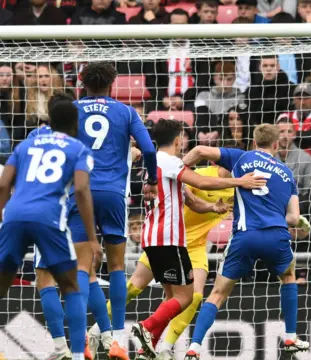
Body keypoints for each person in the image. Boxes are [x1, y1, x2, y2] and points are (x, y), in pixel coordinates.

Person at [130, 120, 267, 358]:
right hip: (169, 238)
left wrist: (214, 207)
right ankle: (147, 327)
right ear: (177, 140)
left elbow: (192, 200)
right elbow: (202, 182)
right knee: (187, 296)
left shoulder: (152, 163)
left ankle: (148, 347)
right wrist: (240, 181)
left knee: (173, 297)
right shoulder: (172, 163)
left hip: (152, 237)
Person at [180, 124, 311, 359]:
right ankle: (291, 336)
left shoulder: (242, 157)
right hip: (276, 234)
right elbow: (292, 217)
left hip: (245, 234)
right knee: (289, 277)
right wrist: (298, 222)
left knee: (218, 293)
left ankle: (195, 346)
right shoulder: (287, 173)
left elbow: (200, 149)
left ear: (254, 142)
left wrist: (179, 168)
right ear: (275, 145)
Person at [69, 62, 159, 358]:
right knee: (117, 266)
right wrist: (152, 180)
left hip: (79, 191)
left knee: (83, 266)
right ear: (112, 84)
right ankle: (117, 339)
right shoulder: (126, 111)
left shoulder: (72, 109)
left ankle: (80, 334)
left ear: (82, 82)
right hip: (112, 193)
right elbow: (148, 149)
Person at [0, 98, 100, 360]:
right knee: (70, 286)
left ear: (49, 122)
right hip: (49, 218)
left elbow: (2, 185)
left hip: (13, 216)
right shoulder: (78, 149)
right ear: (76, 124)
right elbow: (80, 189)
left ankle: (59, 348)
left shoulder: (26, 144)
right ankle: (77, 355)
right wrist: (92, 238)